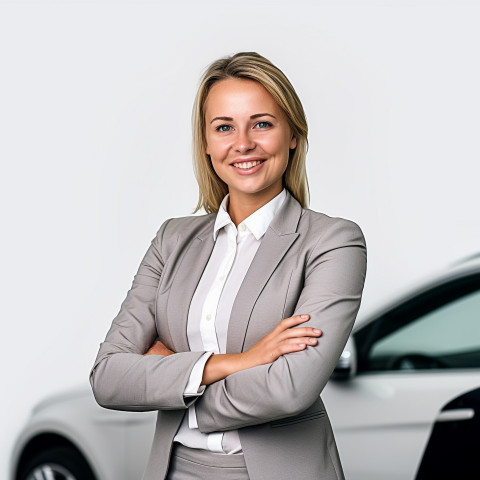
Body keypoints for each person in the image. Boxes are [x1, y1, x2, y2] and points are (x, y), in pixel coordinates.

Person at [90, 51, 367, 480]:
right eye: (224, 127)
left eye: (262, 123)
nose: (243, 144)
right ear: (206, 142)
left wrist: (172, 377)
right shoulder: (172, 239)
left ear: (293, 134)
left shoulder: (332, 242)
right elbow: (108, 377)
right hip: (173, 470)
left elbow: (290, 388)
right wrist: (238, 361)